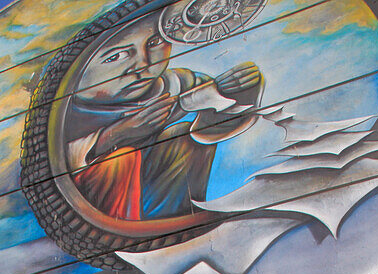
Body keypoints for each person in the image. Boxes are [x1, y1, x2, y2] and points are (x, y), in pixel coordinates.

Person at [65, 12, 263, 220]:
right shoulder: (70, 114)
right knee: (119, 160)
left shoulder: (177, 83)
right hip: (104, 203)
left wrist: (231, 91)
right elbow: (60, 163)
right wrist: (115, 135)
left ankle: (176, 220)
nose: (144, 64)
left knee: (180, 136)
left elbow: (216, 121)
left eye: (154, 42)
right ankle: (126, 230)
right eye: (115, 57)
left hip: (152, 191)